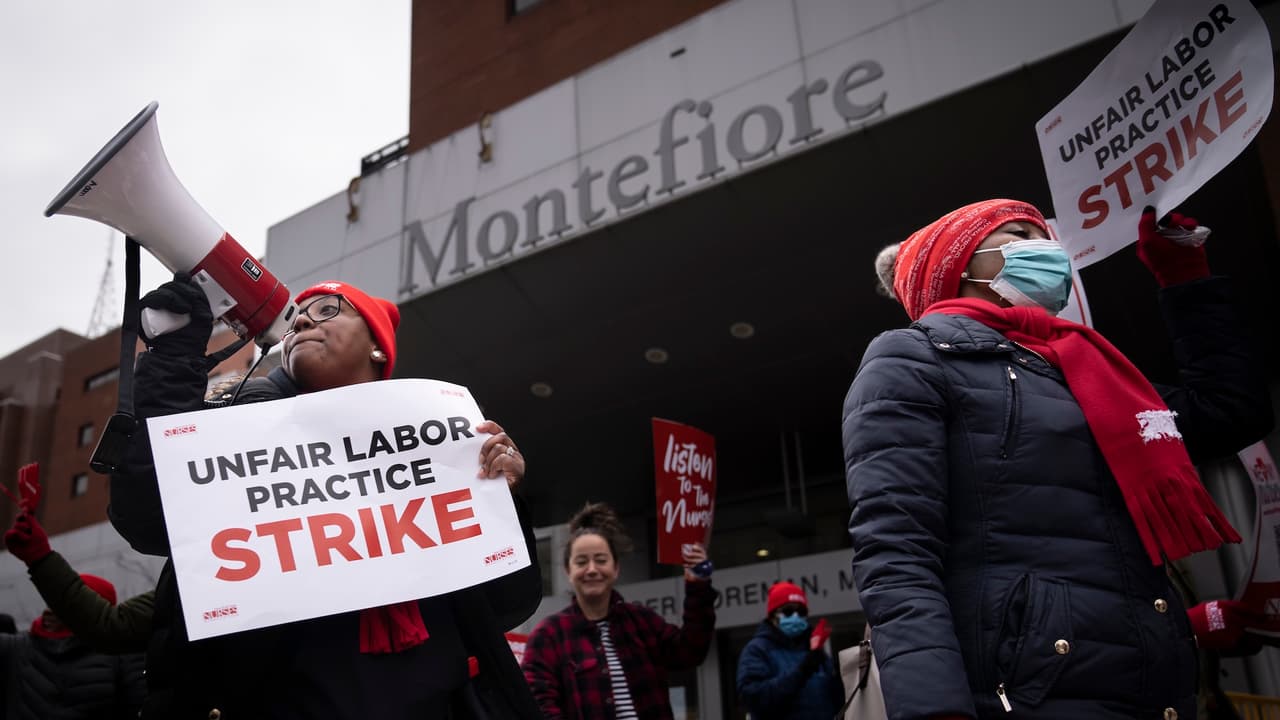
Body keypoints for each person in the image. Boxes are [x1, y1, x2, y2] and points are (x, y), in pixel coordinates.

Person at [842, 200, 1273, 719]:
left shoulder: (1091, 372)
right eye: (1020, 235)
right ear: (957, 264)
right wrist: (936, 710)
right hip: (1024, 696)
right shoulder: (913, 358)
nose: (1047, 248)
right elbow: (897, 552)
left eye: (1045, 236)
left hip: (1152, 693)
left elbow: (1230, 413)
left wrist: (1184, 277)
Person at [107, 276, 544, 719]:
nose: (302, 322)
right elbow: (146, 518)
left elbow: (507, 603)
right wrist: (172, 362)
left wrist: (499, 497)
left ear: (377, 347)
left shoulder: (438, 444)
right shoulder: (236, 422)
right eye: (295, 318)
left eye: (328, 310)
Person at [521, 502, 717, 719]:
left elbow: (690, 651)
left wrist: (698, 586)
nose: (592, 569)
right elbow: (539, 705)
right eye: (581, 562)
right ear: (569, 571)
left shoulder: (642, 622)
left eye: (601, 560)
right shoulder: (548, 635)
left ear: (616, 568)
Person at [0, 569, 145, 719]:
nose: (47, 611)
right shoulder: (14, 648)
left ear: (92, 612)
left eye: (61, 604)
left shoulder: (123, 654)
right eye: (50, 601)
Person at [5, 510, 153, 653]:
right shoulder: (19, 649)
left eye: (58, 605)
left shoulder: (121, 660)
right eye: (52, 603)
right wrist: (39, 557)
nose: (48, 611)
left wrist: (40, 557)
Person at [736, 581, 843, 719]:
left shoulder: (815, 651)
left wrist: (840, 676)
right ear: (772, 616)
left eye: (801, 612)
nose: (796, 616)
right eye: (788, 611)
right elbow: (753, 698)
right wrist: (802, 671)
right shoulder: (757, 650)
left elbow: (836, 702)